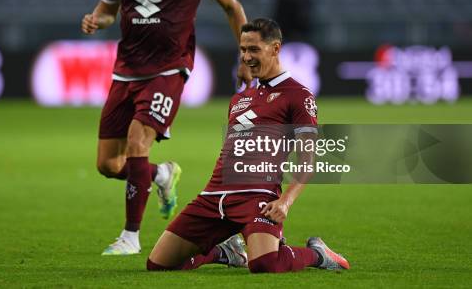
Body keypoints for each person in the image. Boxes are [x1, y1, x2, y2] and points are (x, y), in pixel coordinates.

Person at [81, 0, 251, 255]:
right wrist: (98, 20)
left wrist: (247, 55)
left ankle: (130, 237)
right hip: (126, 70)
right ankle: (160, 174)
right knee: (109, 164)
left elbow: (232, 8)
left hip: (169, 69)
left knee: (137, 141)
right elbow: (109, 10)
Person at [147, 18, 350, 273]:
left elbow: (308, 161)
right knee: (158, 264)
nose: (246, 56)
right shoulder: (240, 99)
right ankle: (225, 252)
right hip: (214, 197)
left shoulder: (298, 95)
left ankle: (316, 254)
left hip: (257, 197)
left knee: (264, 264)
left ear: (275, 49)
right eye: (243, 50)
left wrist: (285, 202)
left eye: (254, 49)